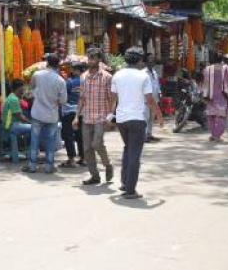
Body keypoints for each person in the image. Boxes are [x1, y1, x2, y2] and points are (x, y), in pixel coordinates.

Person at [110, 47, 163, 199]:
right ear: (140, 61)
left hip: (121, 119)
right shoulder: (143, 76)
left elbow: (113, 98)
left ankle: (124, 182)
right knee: (134, 154)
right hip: (137, 119)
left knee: (128, 148)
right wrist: (159, 116)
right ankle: (130, 190)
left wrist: (109, 115)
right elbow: (150, 100)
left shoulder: (117, 75)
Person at [75, 48, 114, 185]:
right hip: (87, 117)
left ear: (99, 59)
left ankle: (107, 165)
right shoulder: (83, 77)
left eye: (93, 58)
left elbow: (112, 98)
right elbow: (81, 98)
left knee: (97, 143)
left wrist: (110, 117)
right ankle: (95, 176)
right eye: (89, 57)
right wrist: (76, 116)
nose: (90, 60)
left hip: (101, 117)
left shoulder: (107, 77)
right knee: (87, 148)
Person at [23, 53, 67, 174]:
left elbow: (31, 88)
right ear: (58, 65)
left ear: (47, 63)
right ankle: (48, 166)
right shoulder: (60, 80)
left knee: (34, 140)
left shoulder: (37, 75)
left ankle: (32, 166)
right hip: (52, 115)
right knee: (50, 141)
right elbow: (63, 100)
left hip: (37, 113)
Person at [201, 52, 228, 142]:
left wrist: (205, 95)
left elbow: (205, 84)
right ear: (222, 59)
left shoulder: (207, 69)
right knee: (221, 116)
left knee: (211, 116)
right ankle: (217, 135)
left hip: (210, 97)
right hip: (223, 97)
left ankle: (213, 135)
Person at [60, 62, 86, 168]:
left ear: (76, 70)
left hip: (68, 111)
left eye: (73, 69)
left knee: (68, 136)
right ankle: (83, 158)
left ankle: (71, 159)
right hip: (81, 112)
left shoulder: (69, 82)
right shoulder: (86, 82)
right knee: (81, 136)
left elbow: (62, 95)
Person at [4, 80, 31, 162]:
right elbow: (20, 116)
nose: (24, 89)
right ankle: (31, 152)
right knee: (35, 128)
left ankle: (28, 151)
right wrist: (30, 122)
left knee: (32, 128)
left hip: (12, 124)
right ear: (19, 88)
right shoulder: (13, 99)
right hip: (12, 126)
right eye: (23, 87)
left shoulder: (12, 96)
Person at [143, 55, 162, 143]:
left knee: (151, 117)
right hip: (146, 99)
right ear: (146, 63)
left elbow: (157, 85)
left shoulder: (154, 72)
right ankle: (144, 136)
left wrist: (160, 93)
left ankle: (149, 134)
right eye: (149, 62)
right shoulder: (143, 73)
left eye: (152, 62)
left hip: (155, 99)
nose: (151, 63)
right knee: (145, 117)